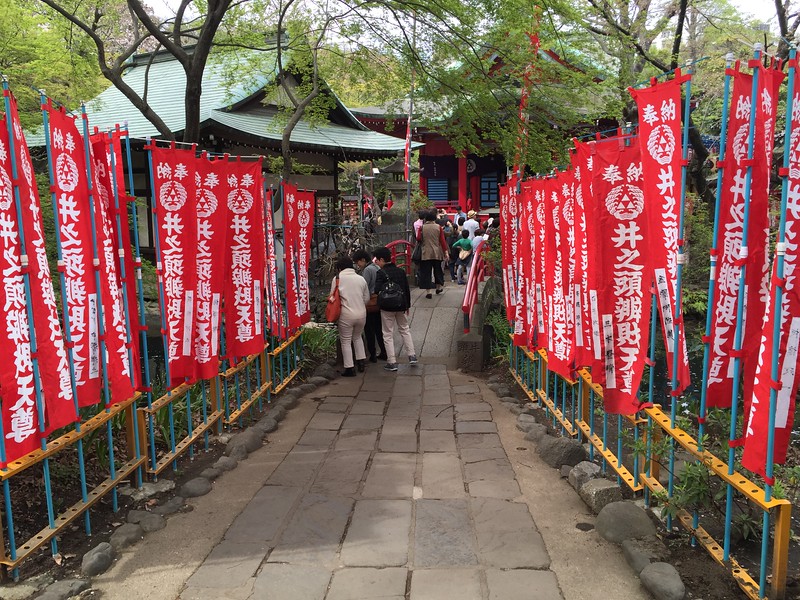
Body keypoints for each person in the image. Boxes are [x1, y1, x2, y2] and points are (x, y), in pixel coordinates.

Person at [373, 246, 416, 371]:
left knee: (387, 333)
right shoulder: (400, 271)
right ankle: (412, 355)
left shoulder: (380, 273)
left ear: (382, 259)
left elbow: (376, 289)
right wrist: (407, 305)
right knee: (405, 329)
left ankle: (391, 361)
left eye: (377, 260)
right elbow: (406, 289)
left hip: (387, 307)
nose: (376, 263)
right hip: (400, 305)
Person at [331, 254, 370, 376]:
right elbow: (366, 298)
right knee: (357, 337)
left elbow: (332, 297)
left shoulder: (337, 279)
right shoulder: (361, 279)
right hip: (361, 314)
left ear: (340, 268)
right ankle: (361, 363)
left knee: (346, 341)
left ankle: (349, 368)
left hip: (346, 314)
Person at [353, 248, 387, 363]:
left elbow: (364, 287)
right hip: (379, 301)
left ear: (363, 260)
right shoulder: (376, 267)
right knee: (379, 329)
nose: (357, 265)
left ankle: (372, 354)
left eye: (357, 262)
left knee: (369, 330)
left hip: (370, 303)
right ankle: (384, 351)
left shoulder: (367, 270)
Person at [416, 210, 449, 298]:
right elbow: (442, 241)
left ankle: (429, 292)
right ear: (434, 218)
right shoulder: (438, 227)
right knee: (438, 270)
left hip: (425, 252)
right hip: (437, 252)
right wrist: (446, 252)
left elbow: (418, 238)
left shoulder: (422, 227)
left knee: (426, 272)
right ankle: (438, 287)